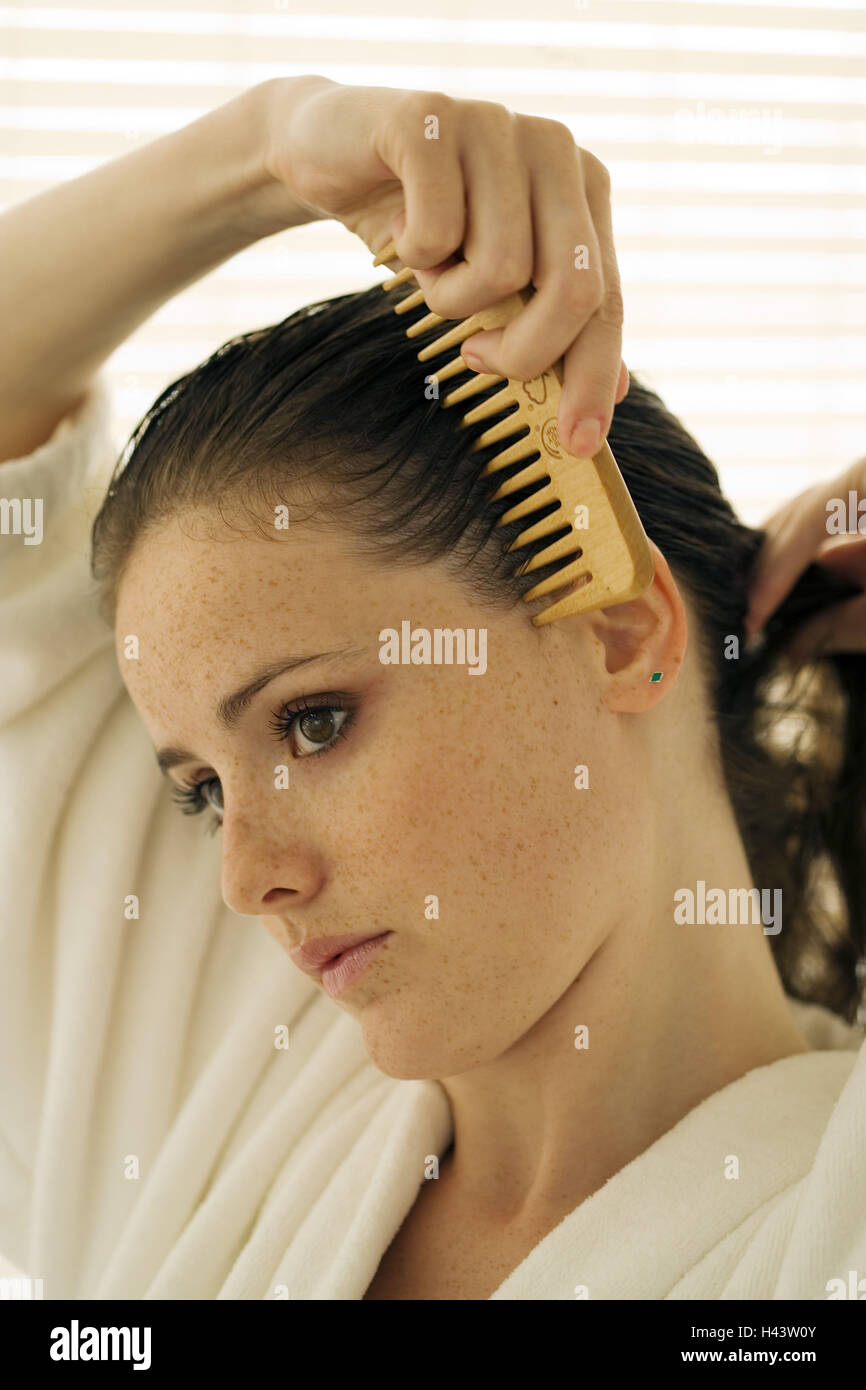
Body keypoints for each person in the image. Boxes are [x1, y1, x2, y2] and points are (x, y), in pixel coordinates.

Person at [0, 75, 864, 1302]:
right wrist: (262, 154)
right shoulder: (226, 1072)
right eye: (200, 788)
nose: (248, 881)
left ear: (618, 631)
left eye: (312, 721)